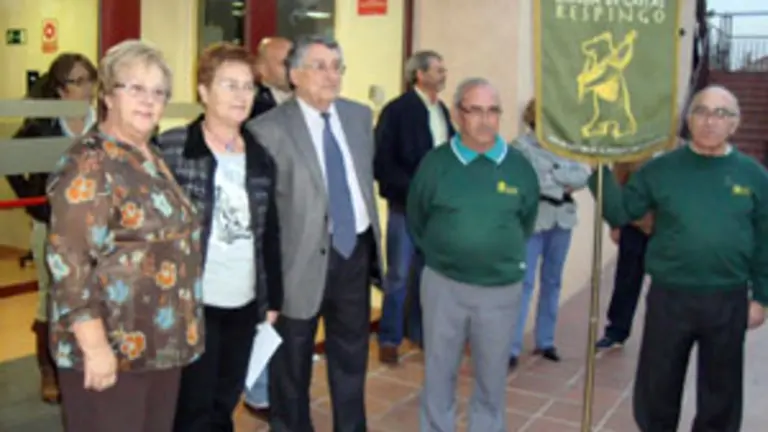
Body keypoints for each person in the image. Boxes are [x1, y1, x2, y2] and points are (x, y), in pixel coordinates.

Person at [44, 40, 204, 432]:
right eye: (134, 87)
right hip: (113, 349)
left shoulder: (149, 154)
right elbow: (70, 263)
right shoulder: (90, 163)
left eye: (158, 91)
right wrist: (95, 347)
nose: (148, 100)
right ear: (107, 96)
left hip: (160, 344)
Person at [588, 85, 768, 432]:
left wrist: (761, 297)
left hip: (728, 299)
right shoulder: (662, 170)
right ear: (689, 119)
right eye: (701, 111)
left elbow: (764, 240)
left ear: (735, 123)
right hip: (671, 297)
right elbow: (624, 210)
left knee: (721, 393)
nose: (710, 121)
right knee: (658, 385)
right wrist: (596, 170)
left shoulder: (754, 176)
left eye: (721, 113)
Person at [246, 34, 383, 432]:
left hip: (352, 253)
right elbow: (263, 214)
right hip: (297, 262)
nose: (331, 75)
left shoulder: (359, 117)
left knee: (352, 357)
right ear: (295, 75)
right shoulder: (267, 129)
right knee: (292, 365)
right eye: (320, 66)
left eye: (337, 66)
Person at [155, 43, 283, 432]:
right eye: (230, 85)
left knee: (224, 400)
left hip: (243, 300)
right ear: (204, 91)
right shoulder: (174, 148)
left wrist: (272, 299)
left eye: (248, 87)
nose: (241, 96)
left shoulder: (261, 154)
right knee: (192, 408)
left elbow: (270, 232)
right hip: (193, 301)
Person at [407, 78, 539, 432]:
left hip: (499, 291)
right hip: (443, 287)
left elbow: (525, 221)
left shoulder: (519, 167)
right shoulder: (435, 164)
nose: (485, 119)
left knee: (491, 381)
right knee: (438, 374)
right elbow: (417, 219)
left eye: (493, 110)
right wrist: (449, 252)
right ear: (457, 115)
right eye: (475, 110)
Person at [6, 52, 97, 404]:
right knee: (50, 295)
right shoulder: (41, 126)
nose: (87, 89)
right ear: (60, 90)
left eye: (90, 80)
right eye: (78, 81)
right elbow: (14, 162)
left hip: (94, 225)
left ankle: (84, 360)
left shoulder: (101, 121)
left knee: (90, 292)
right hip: (53, 224)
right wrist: (35, 201)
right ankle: (48, 368)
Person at [374, 50, 454, 364]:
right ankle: (389, 338)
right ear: (419, 74)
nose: (444, 73)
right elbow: (382, 160)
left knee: (427, 275)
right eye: (438, 68)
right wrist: (413, 190)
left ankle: (418, 334)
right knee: (397, 275)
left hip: (435, 211)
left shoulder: (442, 111)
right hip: (405, 207)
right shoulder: (398, 111)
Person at [508, 99, 590, 368]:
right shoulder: (521, 147)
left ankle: (546, 340)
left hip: (562, 220)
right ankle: (511, 346)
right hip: (534, 219)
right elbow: (527, 180)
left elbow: (584, 174)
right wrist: (561, 179)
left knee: (552, 281)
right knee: (524, 283)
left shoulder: (569, 145)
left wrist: (552, 174)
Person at [243, 36, 292, 416]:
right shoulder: (251, 109)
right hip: (262, 224)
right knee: (263, 309)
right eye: (283, 61)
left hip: (296, 228)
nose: (291, 67)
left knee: (288, 309)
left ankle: (280, 379)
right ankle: (256, 388)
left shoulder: (302, 106)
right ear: (261, 70)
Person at [594, 160, 654, 350]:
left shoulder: (676, 151)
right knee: (626, 280)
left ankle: (661, 333)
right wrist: (616, 223)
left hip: (668, 229)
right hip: (634, 225)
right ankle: (616, 331)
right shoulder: (632, 152)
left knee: (665, 287)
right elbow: (616, 186)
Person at [249, 37, 292, 118]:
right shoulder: (250, 105)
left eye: (295, 62)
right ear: (262, 68)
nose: (293, 68)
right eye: (285, 63)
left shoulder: (311, 100)